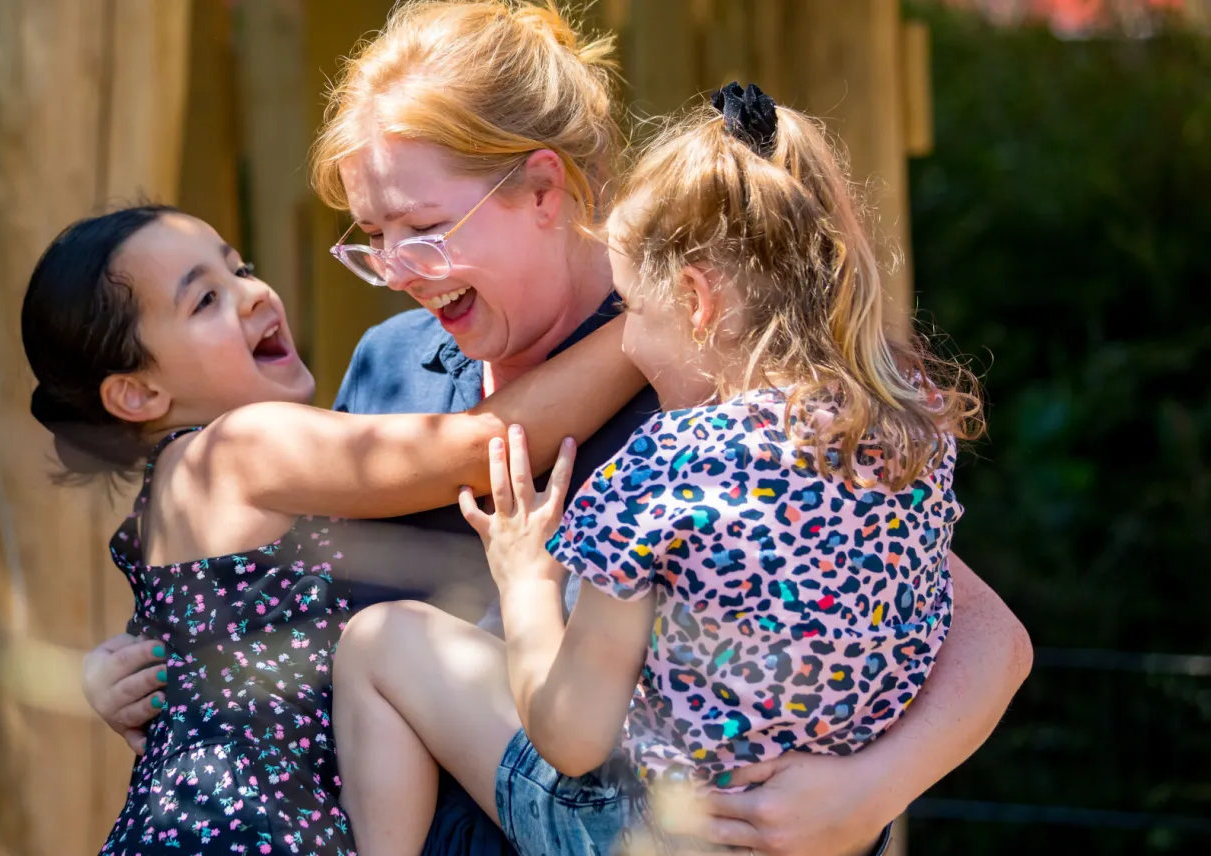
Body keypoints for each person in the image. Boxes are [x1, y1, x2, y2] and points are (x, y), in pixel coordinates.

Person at [81, 3, 1033, 854]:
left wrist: (871, 790)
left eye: (422, 228)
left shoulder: (701, 369)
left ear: (544, 189)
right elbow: (308, 619)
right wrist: (152, 667)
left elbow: (980, 628)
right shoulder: (390, 365)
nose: (398, 268)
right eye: (372, 237)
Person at [333, 82, 991, 856]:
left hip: (647, 832)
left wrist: (526, 581)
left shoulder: (660, 471)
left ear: (695, 302)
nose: (629, 347)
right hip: (800, 833)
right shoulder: (904, 440)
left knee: (378, 641)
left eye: (632, 313)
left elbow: (571, 738)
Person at [22, 204, 647, 855]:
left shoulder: (179, 494)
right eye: (205, 299)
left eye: (241, 269)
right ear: (139, 394)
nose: (252, 294)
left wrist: (108, 677)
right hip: (247, 834)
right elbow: (478, 445)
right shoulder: (238, 448)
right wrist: (653, 320)